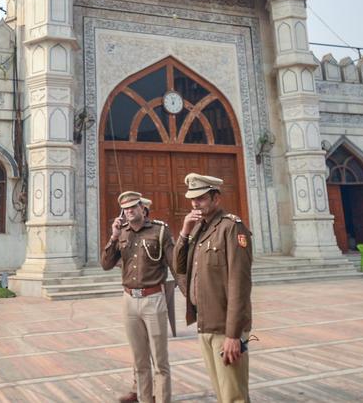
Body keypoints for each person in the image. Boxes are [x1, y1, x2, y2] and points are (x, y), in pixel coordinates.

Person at [174, 173, 252, 403]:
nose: (195, 204)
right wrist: (184, 231)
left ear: (216, 198)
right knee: (221, 392)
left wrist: (233, 335)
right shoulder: (199, 229)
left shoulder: (231, 227)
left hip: (225, 328)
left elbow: (239, 284)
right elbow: (179, 267)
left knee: (233, 395)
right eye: (192, 199)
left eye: (200, 198)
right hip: (205, 323)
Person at [101, 190, 175, 403]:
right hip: (129, 301)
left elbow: (175, 265)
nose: (129, 211)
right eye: (125, 208)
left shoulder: (160, 231)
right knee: (140, 361)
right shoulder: (122, 233)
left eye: (133, 206)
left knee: (160, 362)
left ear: (143, 208)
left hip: (153, 298)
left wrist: (190, 294)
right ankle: (144, 399)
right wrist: (114, 236)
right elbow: (106, 264)